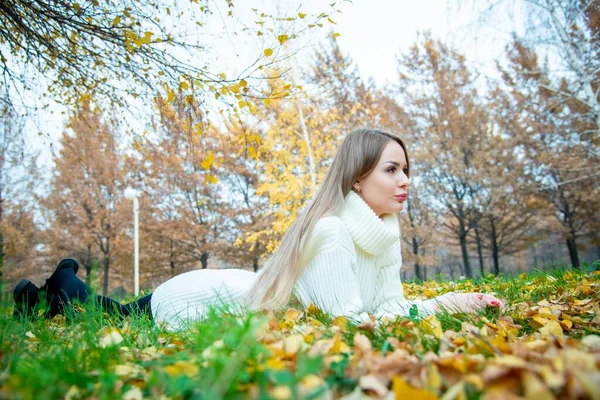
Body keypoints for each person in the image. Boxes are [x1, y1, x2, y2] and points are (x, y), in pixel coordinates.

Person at [13, 128, 503, 329]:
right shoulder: (332, 233)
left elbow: (391, 307)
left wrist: (452, 304)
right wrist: (438, 313)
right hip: (202, 297)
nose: (405, 181)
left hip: (234, 289)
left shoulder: (382, 234)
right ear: (357, 178)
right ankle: (60, 283)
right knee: (114, 318)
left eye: (405, 169)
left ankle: (47, 291)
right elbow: (350, 322)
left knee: (115, 312)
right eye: (391, 170)